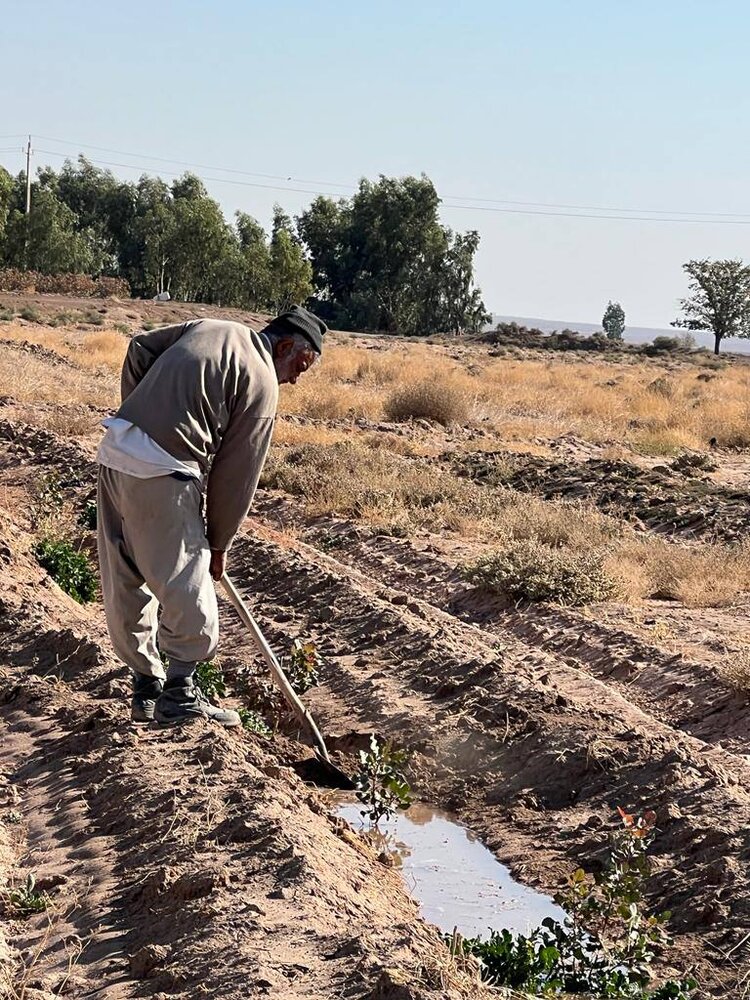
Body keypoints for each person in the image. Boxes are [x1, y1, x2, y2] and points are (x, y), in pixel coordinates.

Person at [96, 305, 326, 727]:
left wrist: (140, 413)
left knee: (125, 570)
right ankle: (180, 692)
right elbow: (237, 476)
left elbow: (140, 349)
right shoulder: (261, 380)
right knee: (189, 579)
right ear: (287, 345)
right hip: (165, 468)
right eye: (300, 365)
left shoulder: (211, 327)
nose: (295, 377)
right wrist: (218, 544)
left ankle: (146, 686)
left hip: (116, 450)